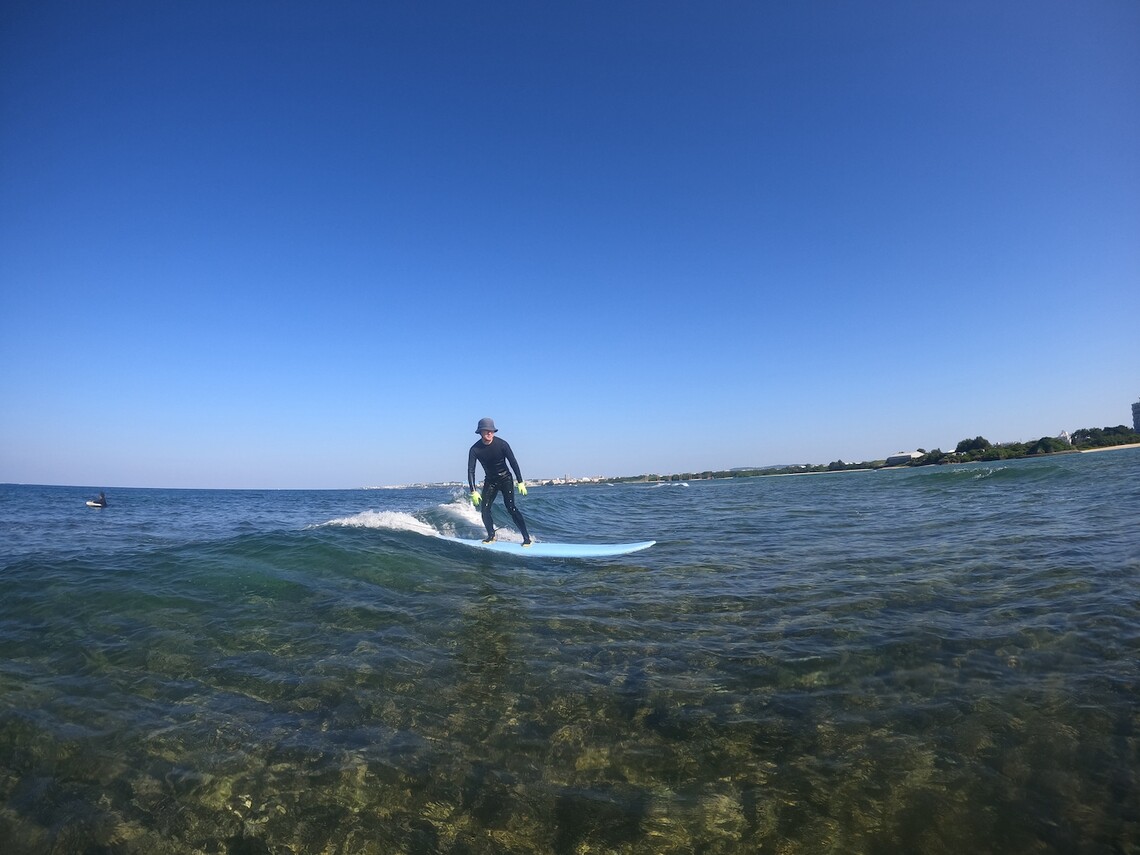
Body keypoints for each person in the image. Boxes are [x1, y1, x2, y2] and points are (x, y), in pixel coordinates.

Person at [467, 417, 531, 545]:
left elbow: (513, 462)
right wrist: (473, 490)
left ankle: (526, 538)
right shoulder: (475, 449)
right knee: (485, 509)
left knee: (511, 508)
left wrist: (520, 482)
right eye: (486, 430)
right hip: (490, 481)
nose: (489, 432)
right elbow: (471, 470)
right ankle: (491, 536)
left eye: (491, 430)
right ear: (480, 432)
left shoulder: (502, 444)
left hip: (505, 479)